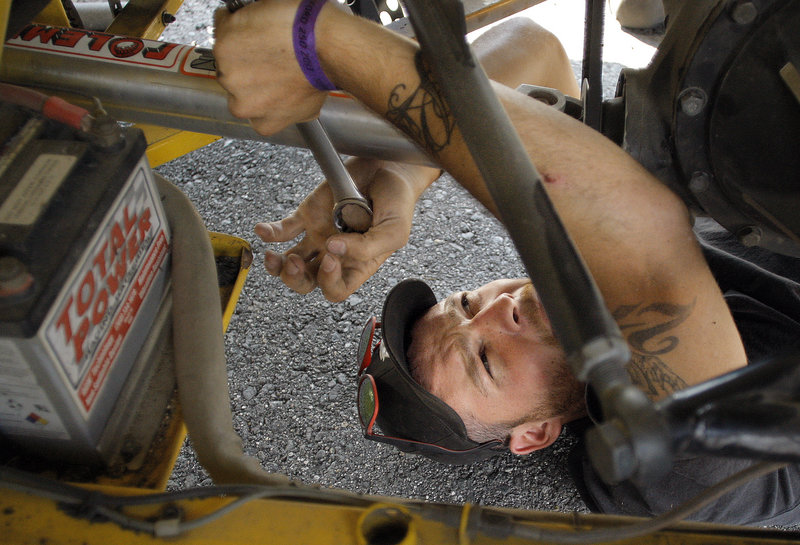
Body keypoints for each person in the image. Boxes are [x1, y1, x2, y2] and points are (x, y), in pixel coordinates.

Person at [213, 1, 800, 525]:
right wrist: (322, 43)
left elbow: (534, 46)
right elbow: (638, 237)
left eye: (463, 303)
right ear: (534, 434)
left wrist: (399, 171)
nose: (496, 310)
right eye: (487, 360)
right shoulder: (662, 471)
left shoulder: (576, 279)